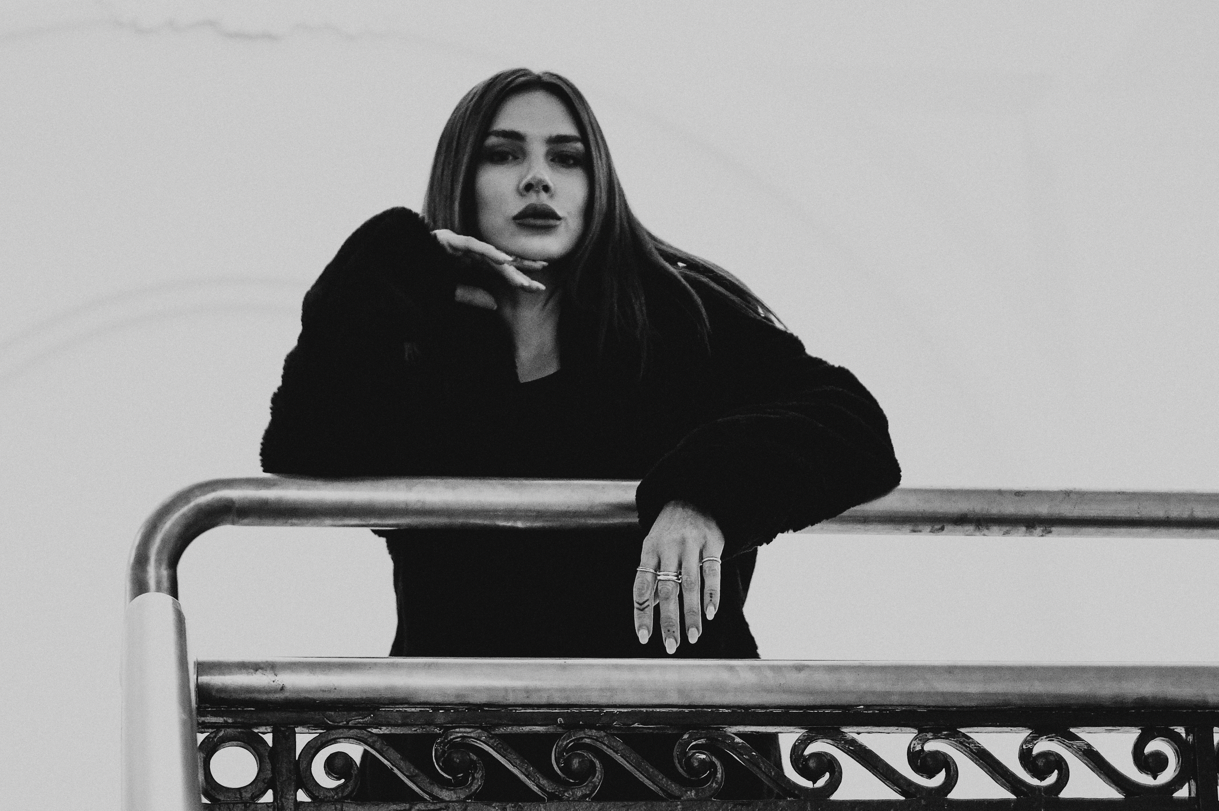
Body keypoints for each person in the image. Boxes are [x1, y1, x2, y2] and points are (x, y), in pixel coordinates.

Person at [260, 68, 901, 799]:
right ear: (463, 179)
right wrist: (397, 257)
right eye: (505, 154)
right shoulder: (424, 343)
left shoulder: (677, 319)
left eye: (567, 158)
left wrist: (702, 494)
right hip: (454, 764)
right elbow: (307, 442)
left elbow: (851, 421)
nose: (539, 179)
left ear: (597, 186)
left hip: (671, 764)